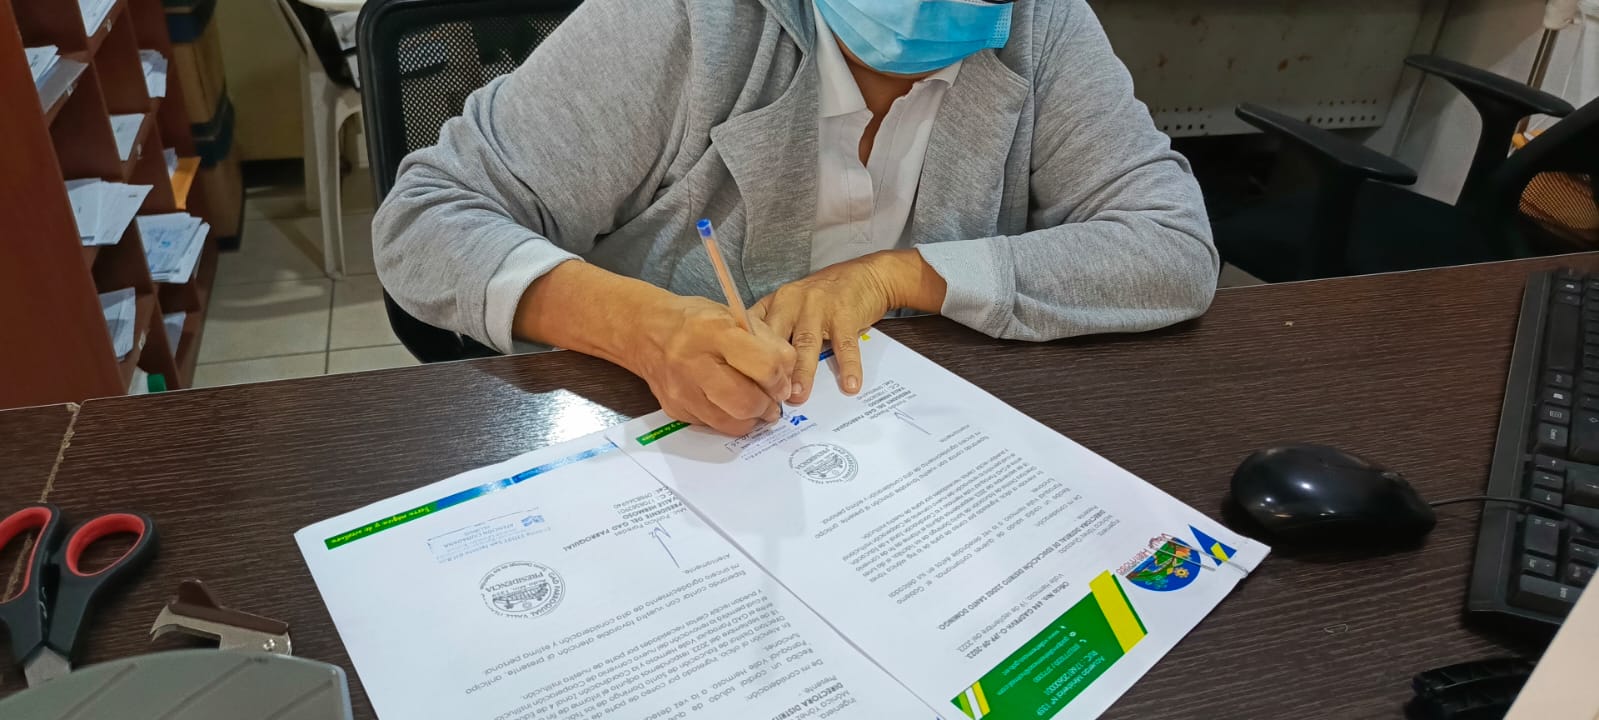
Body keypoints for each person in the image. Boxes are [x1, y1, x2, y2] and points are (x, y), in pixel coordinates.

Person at [373, 0, 1218, 436]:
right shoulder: (687, 19)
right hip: (655, 448)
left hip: (907, 458)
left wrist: (895, 277)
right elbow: (427, 218)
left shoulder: (1043, 25)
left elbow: (1170, 244)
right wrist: (647, 331)